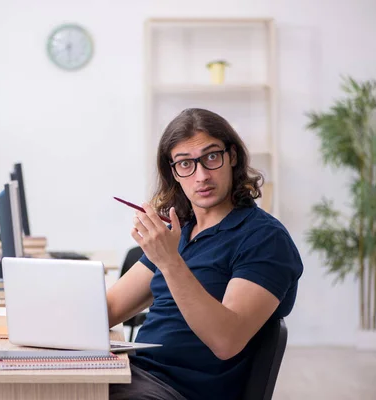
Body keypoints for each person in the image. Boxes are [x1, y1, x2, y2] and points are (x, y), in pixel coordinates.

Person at [107, 108, 303, 400]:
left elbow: (227, 340)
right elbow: (109, 309)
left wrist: (170, 262)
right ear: (174, 172)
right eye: (185, 163)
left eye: (211, 157)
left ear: (232, 157)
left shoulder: (264, 238)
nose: (201, 176)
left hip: (178, 392)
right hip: (138, 375)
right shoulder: (181, 231)